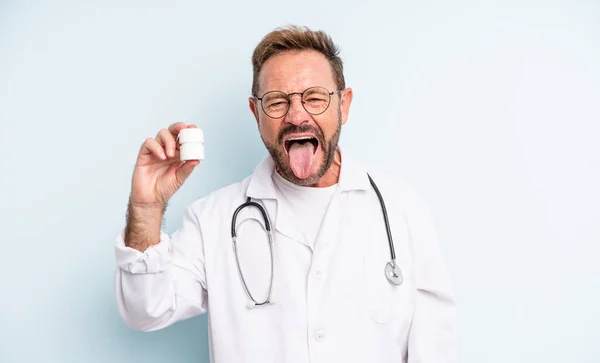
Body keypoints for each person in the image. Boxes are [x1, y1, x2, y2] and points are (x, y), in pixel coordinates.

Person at [114, 25, 458, 363]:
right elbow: (146, 311)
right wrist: (147, 207)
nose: (297, 116)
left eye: (315, 98)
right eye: (277, 102)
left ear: (344, 104)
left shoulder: (402, 209)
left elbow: (436, 349)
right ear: (256, 113)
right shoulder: (213, 220)